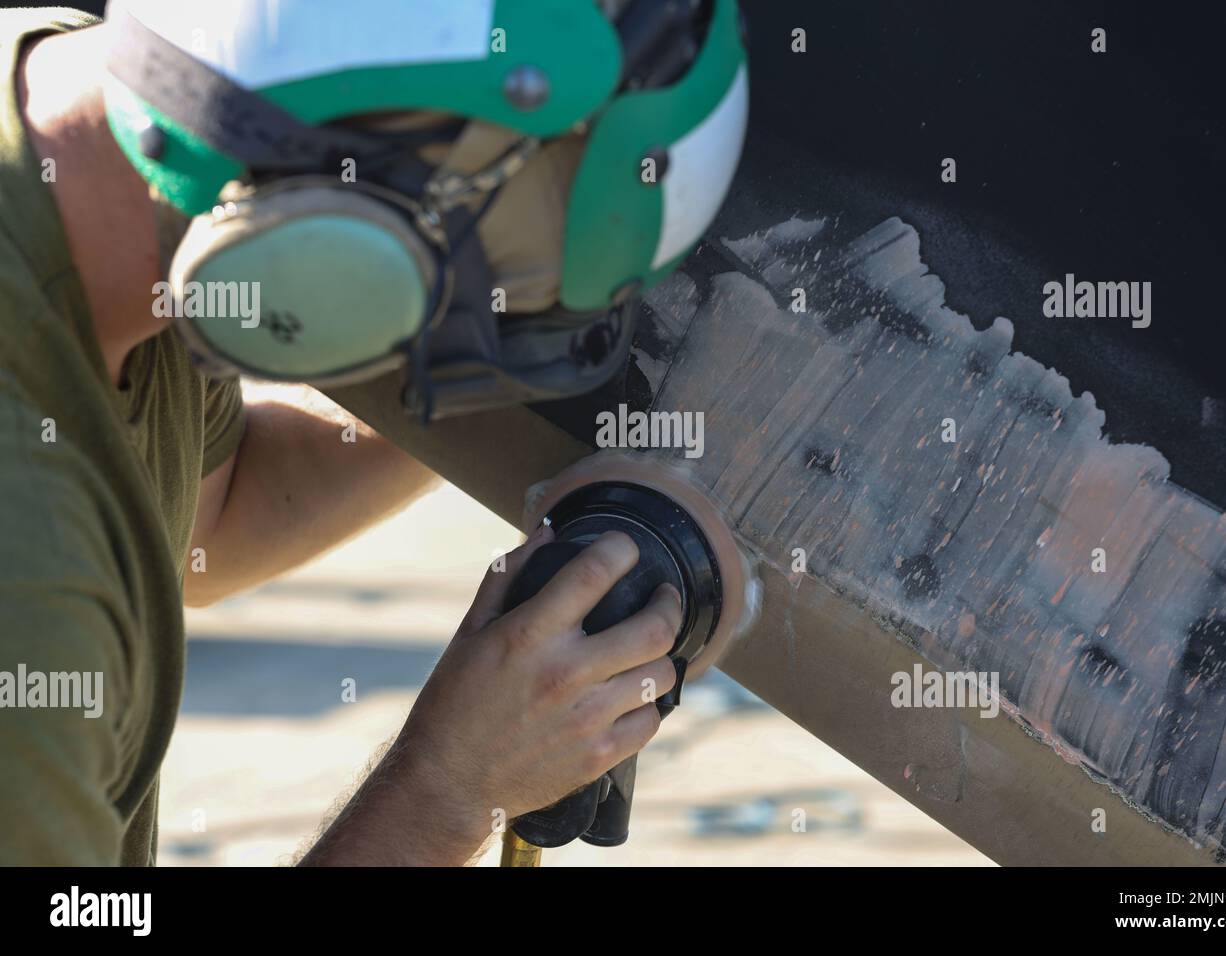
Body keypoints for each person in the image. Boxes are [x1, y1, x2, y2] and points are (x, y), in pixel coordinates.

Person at [0, 1, 748, 864]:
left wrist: (467, 365)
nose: (517, 327)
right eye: (519, 288)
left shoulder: (78, 121)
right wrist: (447, 787)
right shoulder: (29, 573)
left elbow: (209, 516)